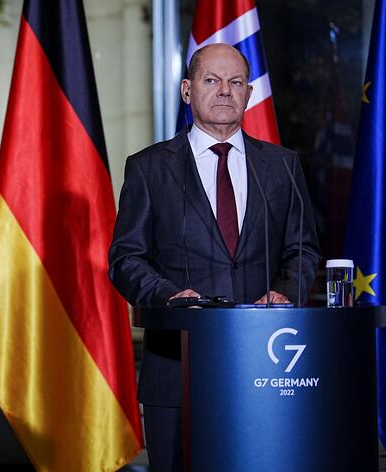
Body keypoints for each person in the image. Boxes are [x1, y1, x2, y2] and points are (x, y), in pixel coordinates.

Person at [108, 43, 321, 471]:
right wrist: (169, 296)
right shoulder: (149, 168)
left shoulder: (282, 166)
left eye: (236, 82)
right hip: (178, 368)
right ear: (188, 91)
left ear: (248, 93)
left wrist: (284, 291)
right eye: (211, 80)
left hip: (268, 365)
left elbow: (303, 248)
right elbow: (126, 258)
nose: (225, 90)